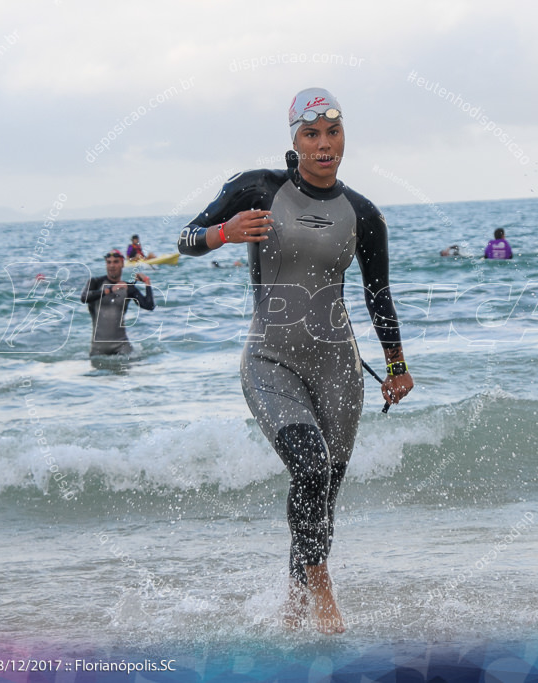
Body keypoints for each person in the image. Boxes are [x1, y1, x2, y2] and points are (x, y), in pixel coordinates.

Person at [177, 87, 414, 634]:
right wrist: (224, 233)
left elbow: (378, 294)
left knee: (322, 489)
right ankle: (323, 593)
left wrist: (397, 367)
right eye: (312, 135)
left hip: (338, 365)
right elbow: (187, 237)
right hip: (270, 360)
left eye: (333, 133)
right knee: (308, 467)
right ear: (295, 140)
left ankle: (293, 604)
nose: (324, 145)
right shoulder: (258, 188)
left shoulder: (363, 214)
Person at [80, 249, 154, 357]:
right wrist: (109, 290)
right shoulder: (95, 282)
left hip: (121, 346)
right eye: (109, 262)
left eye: (115, 262)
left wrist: (147, 282)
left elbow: (149, 305)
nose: (112, 265)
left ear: (122, 264)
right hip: (98, 348)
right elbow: (84, 298)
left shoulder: (128, 287)